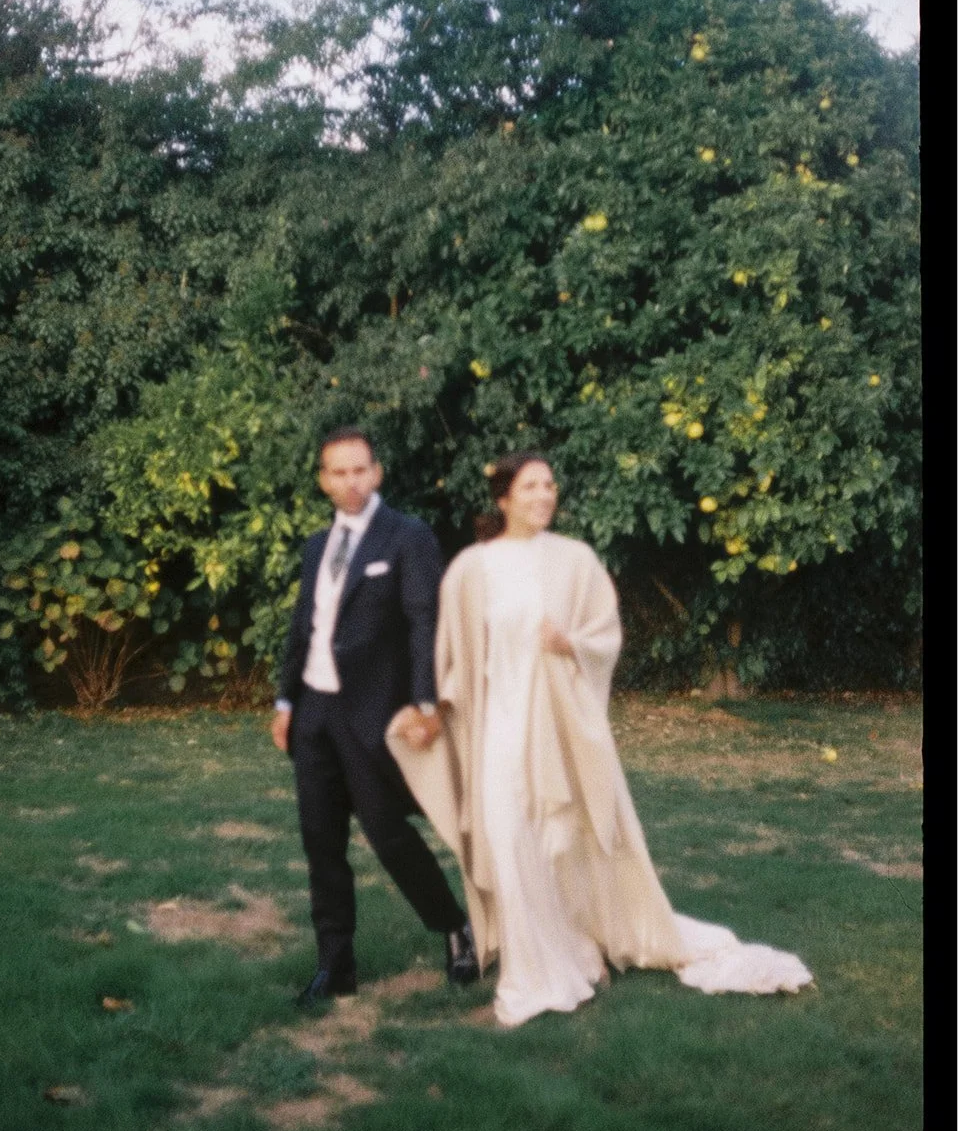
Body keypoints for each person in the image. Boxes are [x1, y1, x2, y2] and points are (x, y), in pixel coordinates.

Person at [388, 451, 812, 1028]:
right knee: (508, 838)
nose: (544, 494)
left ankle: (572, 948)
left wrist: (570, 645)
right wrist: (433, 708)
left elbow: (604, 637)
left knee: (561, 841)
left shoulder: (575, 560)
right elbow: (455, 656)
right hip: (498, 731)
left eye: (550, 484)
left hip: (558, 728)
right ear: (504, 499)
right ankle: (537, 959)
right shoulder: (470, 570)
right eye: (531, 486)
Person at [272, 427, 478, 1006]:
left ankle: (454, 928)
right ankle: (335, 966)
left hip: (372, 713)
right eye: (337, 473)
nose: (350, 482)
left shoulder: (406, 536)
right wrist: (285, 702)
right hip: (314, 714)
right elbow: (303, 627)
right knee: (320, 840)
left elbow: (423, 621)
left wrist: (425, 699)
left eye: (359, 470)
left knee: (387, 833)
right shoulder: (318, 545)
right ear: (323, 481)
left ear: (377, 472)